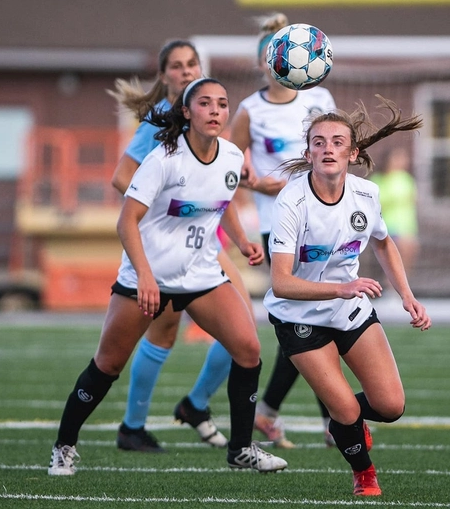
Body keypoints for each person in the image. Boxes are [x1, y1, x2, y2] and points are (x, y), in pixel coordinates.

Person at [48, 78, 287, 476]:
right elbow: (127, 221)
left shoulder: (230, 155)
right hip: (149, 277)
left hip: (200, 275)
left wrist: (243, 241)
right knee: (107, 365)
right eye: (205, 103)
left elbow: (222, 199)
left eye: (222, 104)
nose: (215, 110)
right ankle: (64, 445)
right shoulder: (163, 158)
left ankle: (241, 449)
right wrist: (143, 276)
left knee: (248, 349)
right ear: (186, 112)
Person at [264, 99, 431, 496]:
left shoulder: (367, 195)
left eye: (337, 142)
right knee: (347, 411)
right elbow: (281, 282)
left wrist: (407, 295)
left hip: (349, 309)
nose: (327, 148)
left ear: (352, 154)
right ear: (308, 154)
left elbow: (384, 243)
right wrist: (342, 287)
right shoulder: (291, 201)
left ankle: (347, 422)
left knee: (390, 406)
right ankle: (364, 475)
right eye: (318, 142)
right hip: (298, 316)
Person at [108, 40, 254, 452]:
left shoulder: (209, 120)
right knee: (163, 334)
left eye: (193, 63)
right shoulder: (159, 121)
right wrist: (163, 213)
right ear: (164, 75)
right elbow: (123, 178)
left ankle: (194, 404)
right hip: (169, 245)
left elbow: (222, 186)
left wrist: (242, 235)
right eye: (177, 66)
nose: (186, 71)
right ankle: (133, 426)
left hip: (206, 240)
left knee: (243, 330)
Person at [230, 12, 335, 448]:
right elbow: (230, 166)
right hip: (280, 227)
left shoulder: (320, 97)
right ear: (263, 62)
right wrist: (257, 183)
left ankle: (275, 413)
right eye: (269, 53)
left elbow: (337, 151)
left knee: (323, 318)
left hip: (325, 223)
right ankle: (333, 420)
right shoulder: (249, 110)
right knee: (308, 319)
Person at [370, 147, 419, 278]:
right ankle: (390, 283)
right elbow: (376, 203)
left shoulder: (406, 179)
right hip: (388, 222)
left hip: (406, 223)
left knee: (408, 252)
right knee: (394, 253)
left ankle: (401, 282)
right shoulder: (379, 179)